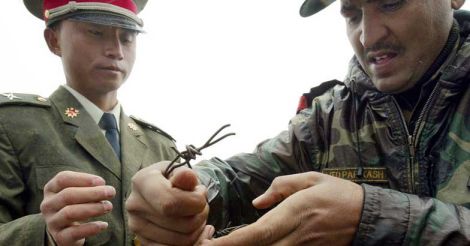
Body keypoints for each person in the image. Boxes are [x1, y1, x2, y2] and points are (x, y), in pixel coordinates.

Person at [126, 0, 470, 245]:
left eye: (391, 3)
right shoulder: (328, 119)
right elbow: (241, 179)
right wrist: (186, 194)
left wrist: (375, 220)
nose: (368, 36)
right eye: (351, 14)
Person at [0, 0, 179, 245]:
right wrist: (45, 233)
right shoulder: (12, 125)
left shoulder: (161, 146)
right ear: (54, 41)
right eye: (96, 32)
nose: (116, 50)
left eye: (127, 37)